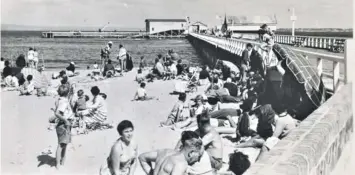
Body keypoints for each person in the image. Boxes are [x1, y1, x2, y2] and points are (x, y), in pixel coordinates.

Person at [138, 131, 204, 175]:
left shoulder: (165, 152)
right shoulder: (181, 163)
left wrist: (151, 173)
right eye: (199, 156)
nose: (198, 161)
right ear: (191, 153)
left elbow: (142, 157)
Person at [53, 85, 74, 169]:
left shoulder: (59, 100)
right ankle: (58, 164)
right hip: (64, 124)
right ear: (67, 93)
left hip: (64, 124)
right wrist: (65, 120)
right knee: (61, 144)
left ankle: (62, 161)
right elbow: (57, 113)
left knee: (64, 144)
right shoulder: (64, 102)